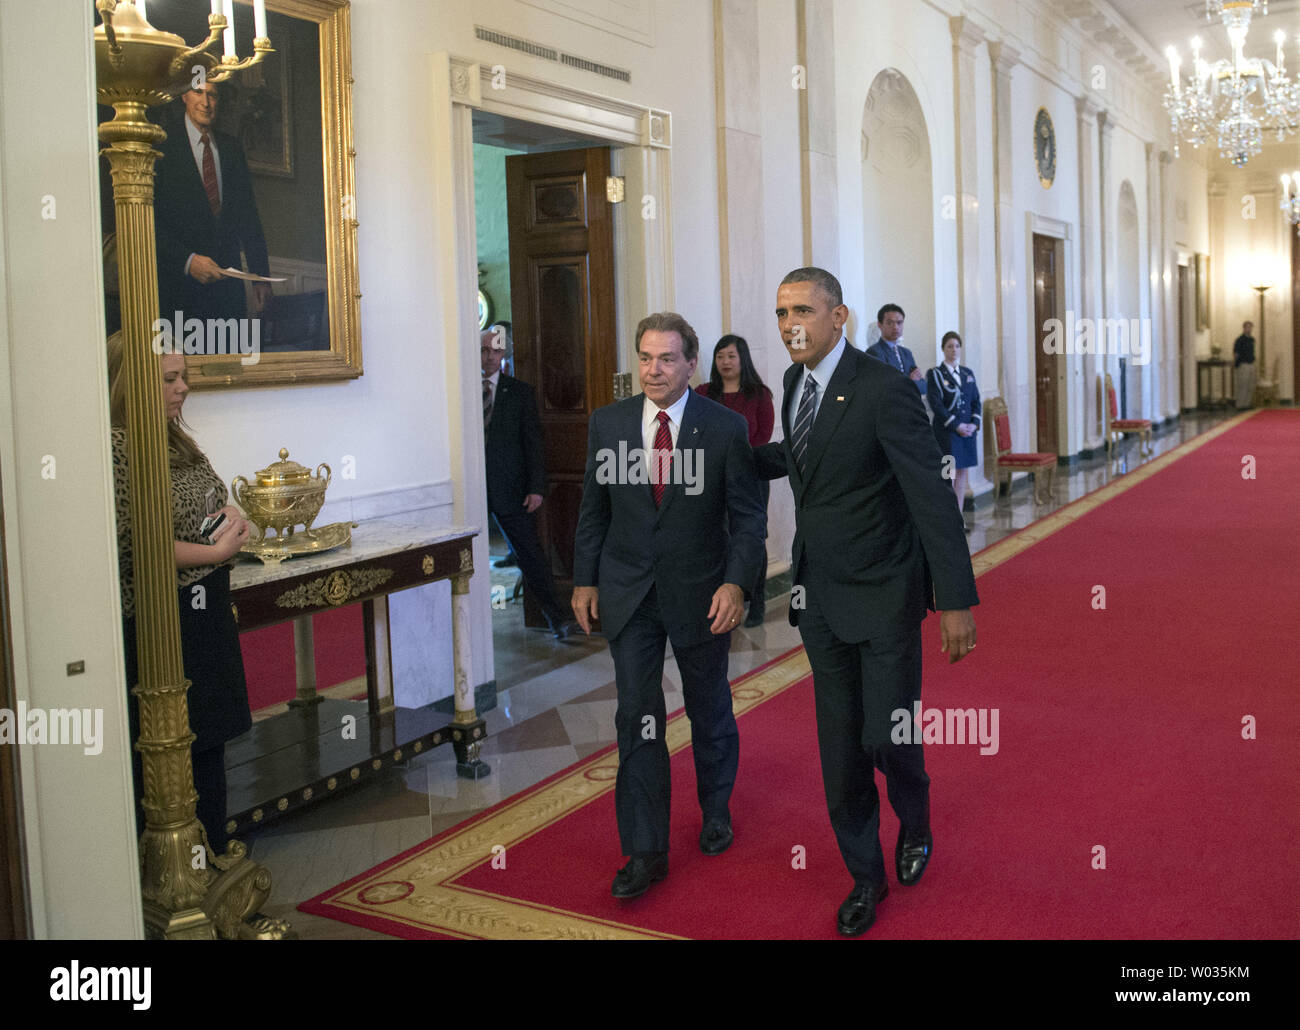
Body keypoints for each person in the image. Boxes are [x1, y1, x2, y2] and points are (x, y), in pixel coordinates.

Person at [753, 268, 978, 936]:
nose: (791, 323)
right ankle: (865, 877)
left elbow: (930, 495)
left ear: (839, 316)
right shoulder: (793, 385)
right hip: (819, 596)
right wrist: (722, 456)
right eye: (781, 312)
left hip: (884, 591)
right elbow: (804, 460)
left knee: (887, 734)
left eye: (803, 310)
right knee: (840, 748)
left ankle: (915, 818)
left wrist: (956, 600)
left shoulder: (884, 389)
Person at [572, 312, 765, 899]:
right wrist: (585, 581)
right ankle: (646, 848)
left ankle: (715, 809)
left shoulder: (725, 427)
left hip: (702, 594)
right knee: (638, 715)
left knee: (708, 707)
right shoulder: (608, 424)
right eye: (646, 358)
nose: (653, 371)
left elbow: (748, 520)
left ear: (690, 363)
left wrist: (736, 585)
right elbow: (593, 510)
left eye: (666, 359)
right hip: (629, 593)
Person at [107, 332, 254, 853]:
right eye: (170, 379)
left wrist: (235, 517)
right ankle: (177, 875)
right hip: (162, 620)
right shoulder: (119, 446)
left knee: (208, 749)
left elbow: (223, 499)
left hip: (206, 611)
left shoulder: (178, 440)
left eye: (183, 376)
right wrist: (214, 553)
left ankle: (213, 861)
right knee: (170, 756)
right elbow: (135, 544)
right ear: (135, 383)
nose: (183, 388)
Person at [481, 325, 575, 639]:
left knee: (530, 554)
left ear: (504, 353)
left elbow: (533, 443)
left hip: (511, 489)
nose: (489, 357)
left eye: (495, 350)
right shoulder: (460, 392)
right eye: (483, 350)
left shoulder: (519, 392)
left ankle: (556, 618)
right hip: (472, 490)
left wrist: (536, 488)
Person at [154, 82, 272, 326]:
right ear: (184, 95)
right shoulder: (161, 145)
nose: (205, 103)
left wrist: (260, 277)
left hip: (227, 293)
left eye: (213, 95)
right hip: (179, 291)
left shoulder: (231, 148)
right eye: (198, 92)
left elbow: (248, 217)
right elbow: (148, 223)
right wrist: (187, 261)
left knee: (229, 363)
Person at [696, 334, 775, 627]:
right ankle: (723, 598)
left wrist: (734, 462)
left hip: (751, 477)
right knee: (719, 535)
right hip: (711, 477)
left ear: (742, 359)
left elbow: (762, 437)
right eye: (720, 357)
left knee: (751, 536)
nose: (725, 362)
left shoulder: (759, 394)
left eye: (731, 356)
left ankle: (757, 600)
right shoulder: (704, 392)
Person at [925, 331, 982, 521]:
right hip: (948, 435)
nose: (954, 350)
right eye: (949, 346)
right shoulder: (936, 374)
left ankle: (958, 518)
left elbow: (976, 401)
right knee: (947, 476)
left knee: (962, 476)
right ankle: (946, 519)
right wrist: (956, 425)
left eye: (957, 346)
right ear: (943, 349)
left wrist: (974, 424)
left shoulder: (967, 373)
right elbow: (936, 404)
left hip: (966, 435)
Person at [866, 303, 925, 395]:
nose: (895, 327)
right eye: (890, 323)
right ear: (880, 325)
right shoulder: (874, 352)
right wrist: (911, 381)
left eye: (899, 323)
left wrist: (906, 383)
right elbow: (884, 387)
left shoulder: (907, 353)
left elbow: (923, 387)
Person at [1233, 320, 1256, 410]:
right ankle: (1240, 405)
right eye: (1247, 327)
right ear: (1244, 328)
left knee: (1250, 385)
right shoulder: (1239, 340)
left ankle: (1247, 404)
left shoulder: (1252, 339)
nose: (1249, 329)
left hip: (1251, 364)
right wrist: (1237, 362)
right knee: (1243, 385)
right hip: (1243, 365)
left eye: (1250, 327)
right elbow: (1236, 353)